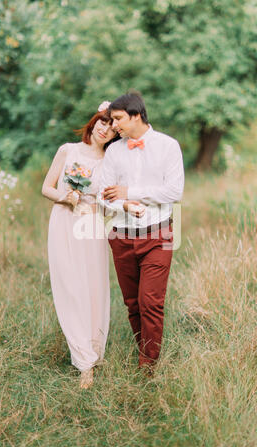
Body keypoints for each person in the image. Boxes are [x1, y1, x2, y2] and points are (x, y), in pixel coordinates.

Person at [97, 93, 184, 374]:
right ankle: (142, 348)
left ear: (136, 115)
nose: (114, 125)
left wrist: (130, 192)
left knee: (150, 302)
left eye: (118, 119)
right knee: (132, 302)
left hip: (158, 235)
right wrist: (121, 202)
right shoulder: (113, 151)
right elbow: (103, 195)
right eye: (112, 119)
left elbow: (173, 192)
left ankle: (148, 364)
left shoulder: (168, 147)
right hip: (121, 236)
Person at [42, 102, 118, 389]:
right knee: (70, 287)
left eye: (112, 127)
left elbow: (110, 205)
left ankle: (93, 353)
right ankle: (83, 358)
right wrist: (66, 197)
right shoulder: (67, 150)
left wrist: (100, 205)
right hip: (63, 223)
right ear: (95, 120)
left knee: (93, 288)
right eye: (103, 121)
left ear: (115, 135)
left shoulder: (110, 163)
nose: (105, 129)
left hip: (92, 227)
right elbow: (46, 187)